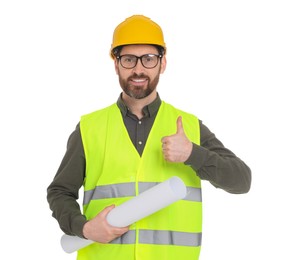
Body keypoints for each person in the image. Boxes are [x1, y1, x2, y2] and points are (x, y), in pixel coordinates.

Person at [47, 15, 251, 260]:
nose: (138, 69)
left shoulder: (189, 127)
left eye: (149, 59)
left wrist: (192, 154)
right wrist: (84, 227)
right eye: (129, 59)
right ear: (116, 65)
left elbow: (242, 180)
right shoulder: (90, 128)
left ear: (162, 64)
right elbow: (59, 191)